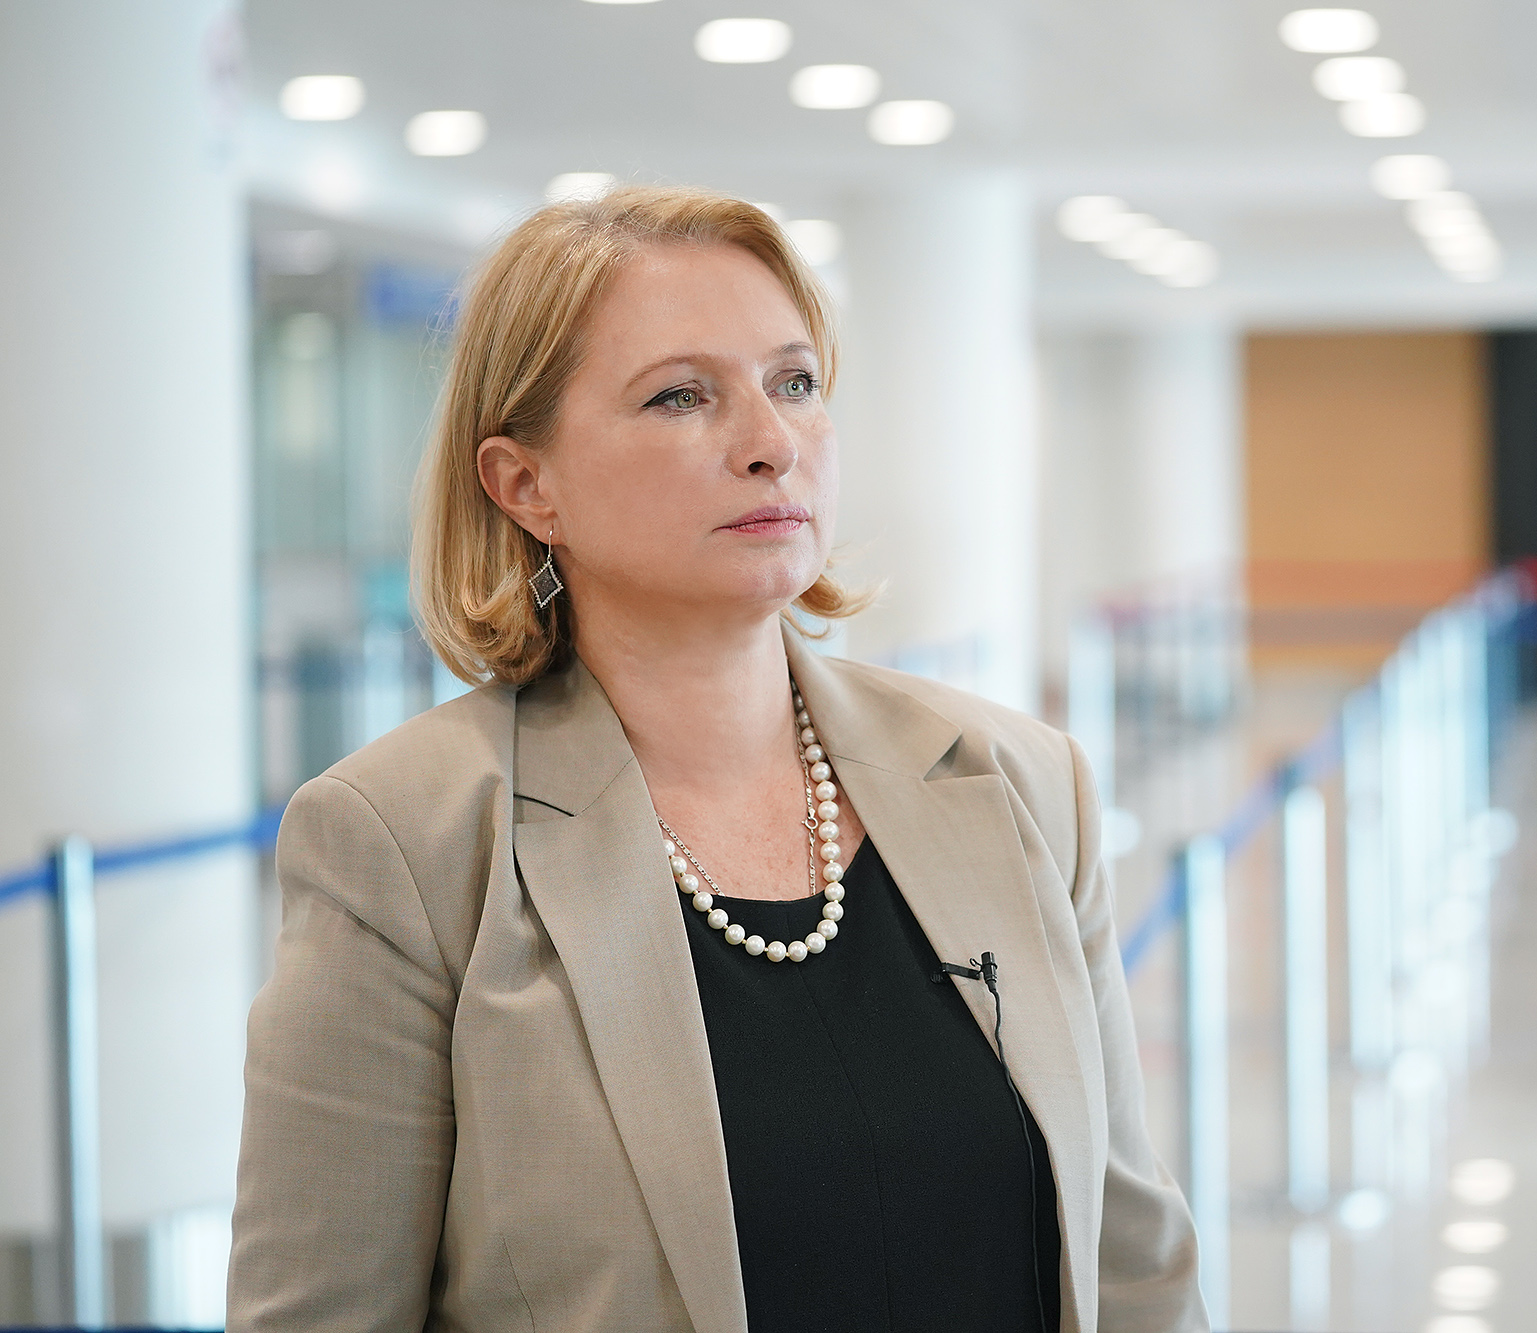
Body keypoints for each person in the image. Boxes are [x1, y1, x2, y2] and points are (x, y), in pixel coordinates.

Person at [228, 184, 1206, 1333]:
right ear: (525, 484)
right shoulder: (405, 840)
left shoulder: (1019, 782)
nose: (770, 444)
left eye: (794, 383)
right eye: (681, 396)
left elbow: (1132, 1264)